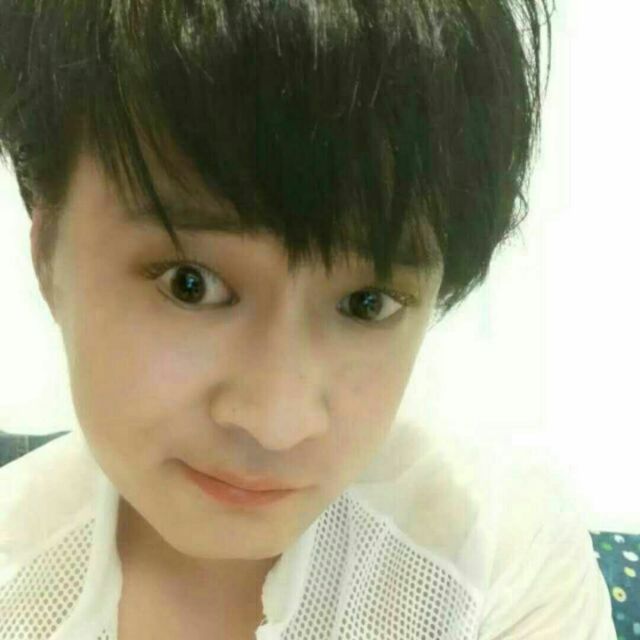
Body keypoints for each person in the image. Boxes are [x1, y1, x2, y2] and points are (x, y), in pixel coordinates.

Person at [0, 1, 616, 638]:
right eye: (191, 284)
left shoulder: (501, 561)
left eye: (366, 303)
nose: (277, 423)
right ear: (47, 252)